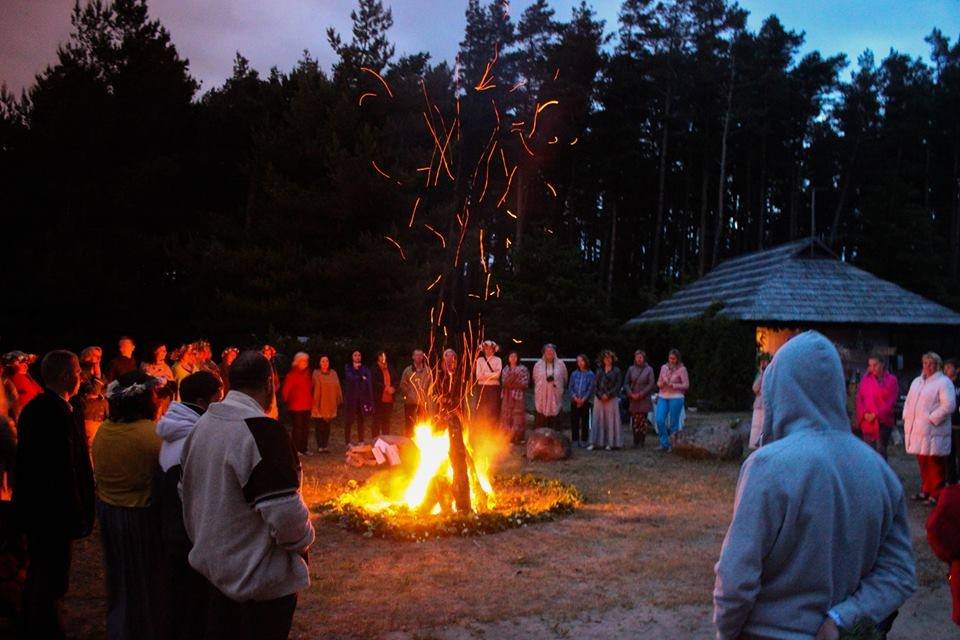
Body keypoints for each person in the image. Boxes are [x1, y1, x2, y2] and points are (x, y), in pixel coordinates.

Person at [714, 331, 917, 640]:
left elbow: (735, 580)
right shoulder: (880, 472)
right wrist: (841, 619)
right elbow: (899, 574)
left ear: (778, 389)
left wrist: (726, 633)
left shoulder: (768, 467)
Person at [180, 351, 314, 640]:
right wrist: (304, 541)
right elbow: (286, 516)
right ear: (270, 383)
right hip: (257, 584)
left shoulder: (201, 426)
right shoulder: (263, 432)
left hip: (214, 574)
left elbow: (186, 493)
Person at [14, 350, 95, 638]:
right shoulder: (51, 414)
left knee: (46, 571)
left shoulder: (55, 409)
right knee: (49, 573)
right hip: (51, 512)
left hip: (47, 510)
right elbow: (60, 470)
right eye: (76, 371)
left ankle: (38, 621)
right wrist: (74, 509)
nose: (80, 377)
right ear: (64, 376)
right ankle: (42, 626)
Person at [93, 371, 166, 639]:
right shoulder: (151, 435)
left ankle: (120, 626)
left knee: (119, 578)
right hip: (140, 517)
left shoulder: (104, 431)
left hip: (109, 513)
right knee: (145, 580)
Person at [155, 371, 223, 640]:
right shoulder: (192, 438)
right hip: (187, 535)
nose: (223, 401)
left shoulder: (181, 429)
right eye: (218, 397)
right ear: (202, 402)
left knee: (182, 602)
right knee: (190, 606)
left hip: (176, 531)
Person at [904, 352, 956, 506]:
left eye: (931, 363)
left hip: (934, 431)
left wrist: (932, 419)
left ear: (937, 365)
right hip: (918, 430)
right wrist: (906, 416)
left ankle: (936, 493)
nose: (927, 366)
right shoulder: (917, 382)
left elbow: (949, 405)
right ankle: (925, 489)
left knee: (935, 463)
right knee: (923, 462)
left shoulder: (943, 382)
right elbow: (908, 401)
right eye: (925, 363)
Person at [855, 355, 900, 460]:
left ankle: (882, 474)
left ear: (882, 364)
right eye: (870, 365)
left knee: (880, 450)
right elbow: (860, 399)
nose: (872, 368)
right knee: (868, 451)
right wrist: (864, 414)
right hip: (867, 421)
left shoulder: (891, 380)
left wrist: (876, 414)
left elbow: (891, 401)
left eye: (875, 365)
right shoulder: (865, 380)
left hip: (883, 421)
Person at [655, 349, 689, 452]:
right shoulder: (664, 368)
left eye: (674, 358)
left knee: (674, 423)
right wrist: (660, 384)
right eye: (670, 358)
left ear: (677, 359)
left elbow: (686, 385)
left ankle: (673, 445)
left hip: (676, 397)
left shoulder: (682, 369)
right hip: (663, 395)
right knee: (659, 419)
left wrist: (674, 385)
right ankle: (664, 442)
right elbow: (659, 381)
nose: (671, 360)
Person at [281, 353, 313, 456]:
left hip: (307, 405)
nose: (305, 363)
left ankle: (304, 448)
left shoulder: (307, 374)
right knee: (297, 429)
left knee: (305, 428)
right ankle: (296, 449)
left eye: (306, 361)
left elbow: (310, 387)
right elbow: (286, 390)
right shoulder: (292, 374)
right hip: (296, 407)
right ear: (297, 362)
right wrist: (286, 400)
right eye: (302, 361)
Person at [590, 350, 622, 451]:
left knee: (611, 421)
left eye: (609, 358)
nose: (607, 360)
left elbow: (618, 385)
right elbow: (595, 384)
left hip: (611, 399)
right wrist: (600, 395)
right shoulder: (599, 370)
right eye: (605, 358)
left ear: (612, 359)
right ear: (603, 359)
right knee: (598, 420)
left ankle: (610, 443)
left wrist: (608, 395)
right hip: (599, 399)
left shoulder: (616, 371)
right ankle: (596, 442)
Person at [623, 350, 655, 449]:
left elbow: (651, 384)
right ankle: (635, 440)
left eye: (640, 357)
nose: (639, 359)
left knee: (643, 421)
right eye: (637, 357)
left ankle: (642, 441)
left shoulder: (649, 369)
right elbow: (626, 383)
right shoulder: (631, 369)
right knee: (635, 420)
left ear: (644, 358)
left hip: (644, 398)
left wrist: (641, 394)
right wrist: (630, 393)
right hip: (633, 397)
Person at [532, 344, 567, 430]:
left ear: (554, 352)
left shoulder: (560, 364)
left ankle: (555, 439)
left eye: (551, 351)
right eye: (547, 351)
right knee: (541, 421)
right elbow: (535, 379)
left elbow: (564, 378)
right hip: (542, 397)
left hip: (555, 395)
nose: (549, 353)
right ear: (544, 352)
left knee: (555, 421)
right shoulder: (538, 365)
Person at [311, 356, 342, 453]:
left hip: (330, 403)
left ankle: (325, 445)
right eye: (323, 361)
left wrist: (339, 399)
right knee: (319, 426)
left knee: (327, 426)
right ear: (319, 363)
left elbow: (337, 387)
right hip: (319, 404)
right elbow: (313, 388)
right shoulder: (316, 373)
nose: (325, 363)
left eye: (327, 361)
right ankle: (320, 446)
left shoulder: (333, 373)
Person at [343, 351, 373, 447]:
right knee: (349, 420)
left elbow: (368, 379)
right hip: (351, 398)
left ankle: (361, 440)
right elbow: (350, 378)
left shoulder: (364, 368)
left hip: (362, 398)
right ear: (352, 357)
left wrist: (360, 375)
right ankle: (347, 442)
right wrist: (360, 376)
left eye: (359, 355)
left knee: (361, 419)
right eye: (355, 355)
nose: (357, 357)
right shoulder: (348, 367)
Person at [399, 349, 432, 437]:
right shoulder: (408, 371)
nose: (418, 357)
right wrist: (409, 394)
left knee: (422, 425)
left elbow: (432, 385)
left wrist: (427, 396)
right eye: (416, 355)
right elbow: (402, 384)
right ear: (413, 357)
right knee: (410, 426)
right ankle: (409, 444)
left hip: (423, 404)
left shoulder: (428, 371)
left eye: (420, 355)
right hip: (410, 403)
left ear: (423, 357)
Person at [500, 352, 530, 444]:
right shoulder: (505, 369)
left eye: (515, 356)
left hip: (518, 396)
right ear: (508, 358)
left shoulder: (523, 369)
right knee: (506, 416)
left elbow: (524, 383)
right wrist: (514, 381)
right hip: (507, 396)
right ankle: (508, 437)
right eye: (511, 356)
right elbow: (504, 382)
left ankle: (518, 437)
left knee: (518, 416)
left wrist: (511, 382)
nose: (513, 358)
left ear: (518, 358)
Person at [2, 351, 42, 419]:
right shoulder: (7, 378)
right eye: (22, 362)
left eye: (26, 363)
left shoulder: (28, 377)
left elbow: (40, 393)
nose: (26, 366)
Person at [474, 340, 502, 429]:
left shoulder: (498, 360)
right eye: (486, 349)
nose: (488, 351)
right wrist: (491, 375)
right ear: (484, 350)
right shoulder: (480, 360)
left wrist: (485, 374)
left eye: (490, 349)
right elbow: (478, 376)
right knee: (481, 409)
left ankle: (493, 429)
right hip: (482, 388)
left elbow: (497, 376)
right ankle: (481, 429)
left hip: (494, 388)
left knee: (493, 410)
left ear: (494, 350)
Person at [371, 351, 397, 438]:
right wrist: (385, 388)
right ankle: (375, 440)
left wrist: (393, 387)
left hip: (389, 399)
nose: (383, 357)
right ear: (378, 357)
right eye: (381, 356)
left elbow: (395, 379)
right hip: (378, 399)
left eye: (384, 356)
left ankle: (386, 440)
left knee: (386, 421)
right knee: (376, 421)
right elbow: (374, 382)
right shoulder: (375, 368)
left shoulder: (390, 367)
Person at [749, 353, 772, 449]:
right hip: (759, 404)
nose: (763, 363)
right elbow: (755, 388)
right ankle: (755, 444)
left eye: (765, 361)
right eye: (762, 361)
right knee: (757, 426)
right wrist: (762, 374)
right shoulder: (760, 375)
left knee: (765, 426)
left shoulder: (772, 374)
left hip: (768, 404)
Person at [945, 359, 960, 484]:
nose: (946, 369)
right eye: (945, 367)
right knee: (948, 456)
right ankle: (951, 482)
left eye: (949, 367)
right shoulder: (944, 384)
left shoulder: (958, 384)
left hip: (958, 425)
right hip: (947, 425)